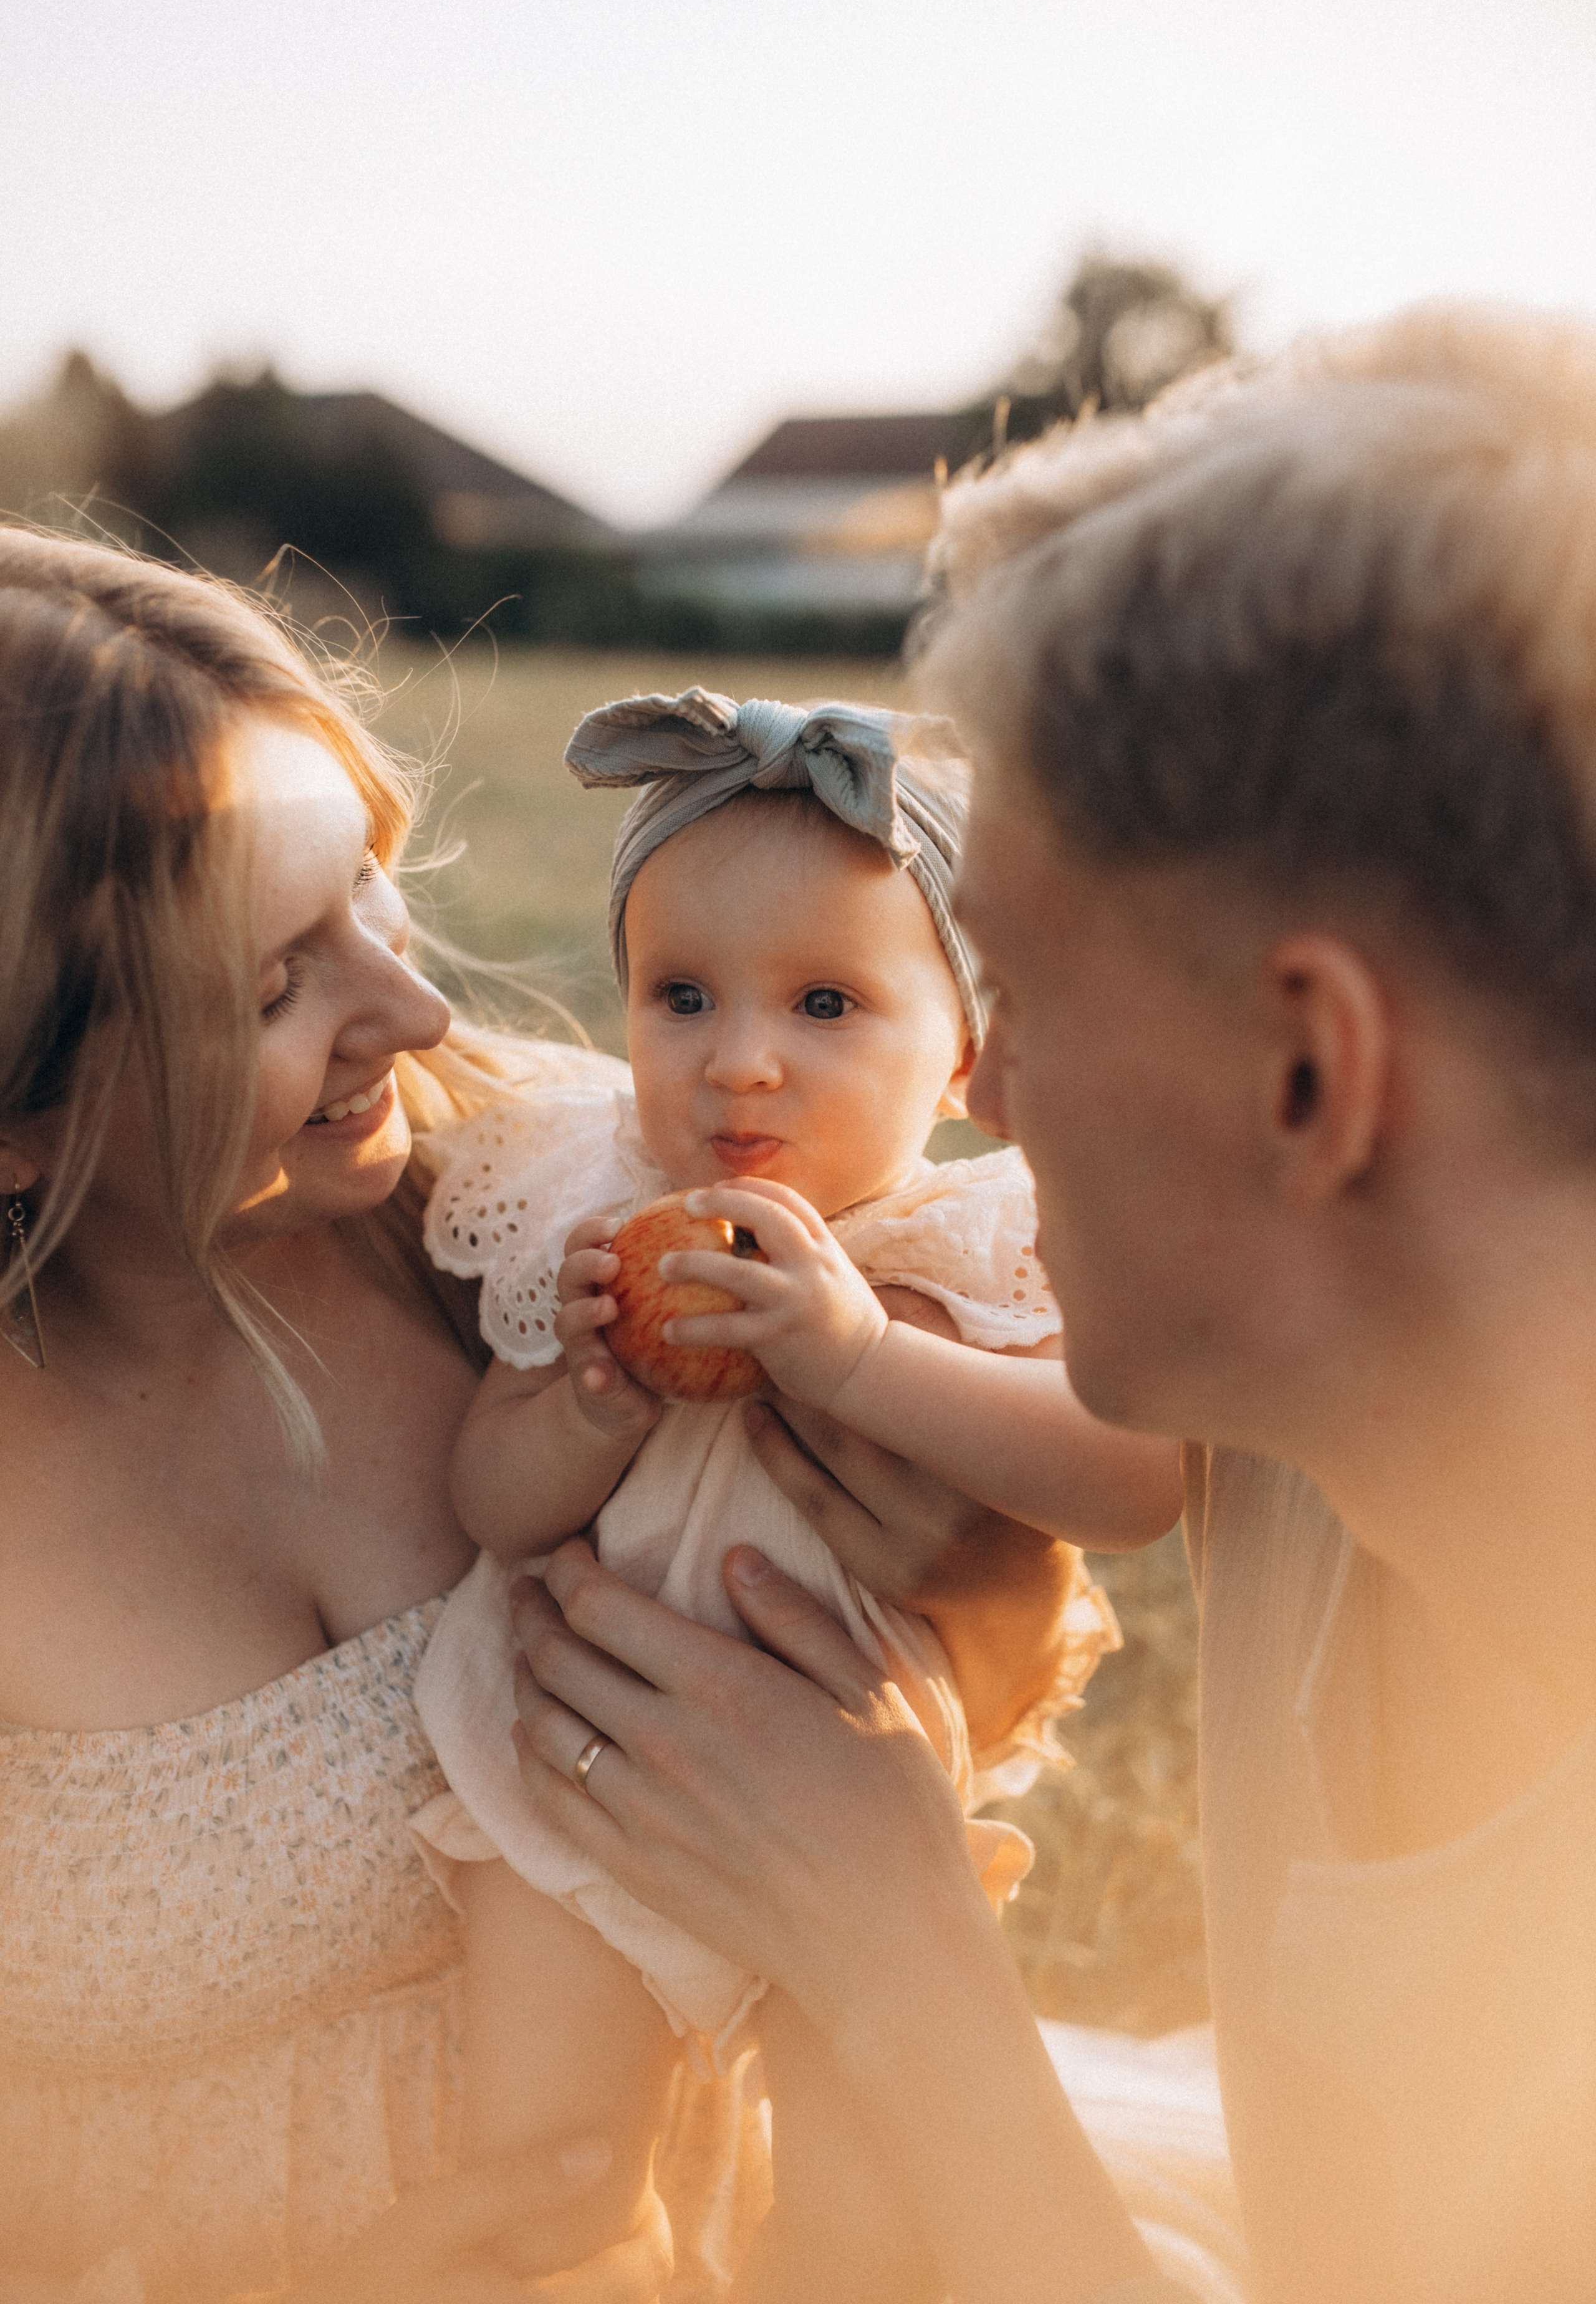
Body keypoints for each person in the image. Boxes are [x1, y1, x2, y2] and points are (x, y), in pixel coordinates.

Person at [506, 304, 1596, 2304]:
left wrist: (899, 1949)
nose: (983, 1100)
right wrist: (977, 1652)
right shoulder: (1322, 1409)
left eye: (1024, 995)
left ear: (1309, 1079)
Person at [0, 530, 1090, 2303]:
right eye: (276, 984)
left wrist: (982, 1602)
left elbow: (989, 1592)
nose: (419, 1011)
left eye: (376, 890)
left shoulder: (545, 1190)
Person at [408, 689, 1178, 2293]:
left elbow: (1133, 1480)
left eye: (825, 1005)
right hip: (569, 1795)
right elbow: (488, 1501)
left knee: (859, 2227)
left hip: (857, 1811)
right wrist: (583, 1398)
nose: (741, 1063)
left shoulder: (964, 1258)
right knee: (555, 2182)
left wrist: (857, 1364)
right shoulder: (598, 1216)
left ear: (962, 1055)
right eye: (679, 997)